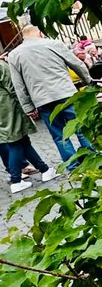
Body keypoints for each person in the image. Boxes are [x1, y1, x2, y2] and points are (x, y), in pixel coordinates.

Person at [8, 26, 94, 167]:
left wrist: (28, 107)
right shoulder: (54, 44)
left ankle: (72, 166)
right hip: (66, 93)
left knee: (59, 135)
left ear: (23, 37)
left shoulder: (14, 55)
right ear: (40, 33)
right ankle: (93, 160)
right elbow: (76, 64)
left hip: (42, 100)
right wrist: (87, 80)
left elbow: (18, 84)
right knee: (81, 127)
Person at [0, 58, 57, 193]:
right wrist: (27, 106)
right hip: (9, 108)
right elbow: (13, 88)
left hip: (4, 110)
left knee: (23, 142)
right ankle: (16, 180)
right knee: (15, 142)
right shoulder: (1, 66)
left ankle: (44, 169)